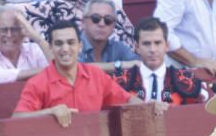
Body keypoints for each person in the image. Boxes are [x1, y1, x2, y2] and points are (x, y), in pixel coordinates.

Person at [13, 19, 141, 127]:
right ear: (51, 48)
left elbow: (128, 99)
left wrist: (151, 106)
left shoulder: (96, 75)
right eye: (59, 43)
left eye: (71, 42)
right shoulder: (37, 83)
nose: (65, 49)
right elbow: (17, 118)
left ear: (80, 46)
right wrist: (49, 112)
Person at [113, 16, 206, 107]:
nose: (152, 49)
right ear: (137, 48)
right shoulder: (120, 81)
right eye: (146, 43)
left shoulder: (189, 81)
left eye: (157, 43)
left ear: (167, 46)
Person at [0, 5, 51, 84]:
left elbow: (59, 70)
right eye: (4, 30)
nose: (9, 35)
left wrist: (37, 37)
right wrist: (47, 71)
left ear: (23, 32)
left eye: (14, 29)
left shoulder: (35, 49)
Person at [79, 0, 137, 73]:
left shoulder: (118, 47)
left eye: (108, 20)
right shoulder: (71, 44)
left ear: (114, 26)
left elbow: (140, 64)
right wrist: (117, 65)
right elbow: (75, 68)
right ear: (83, 22)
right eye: (95, 18)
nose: (102, 24)